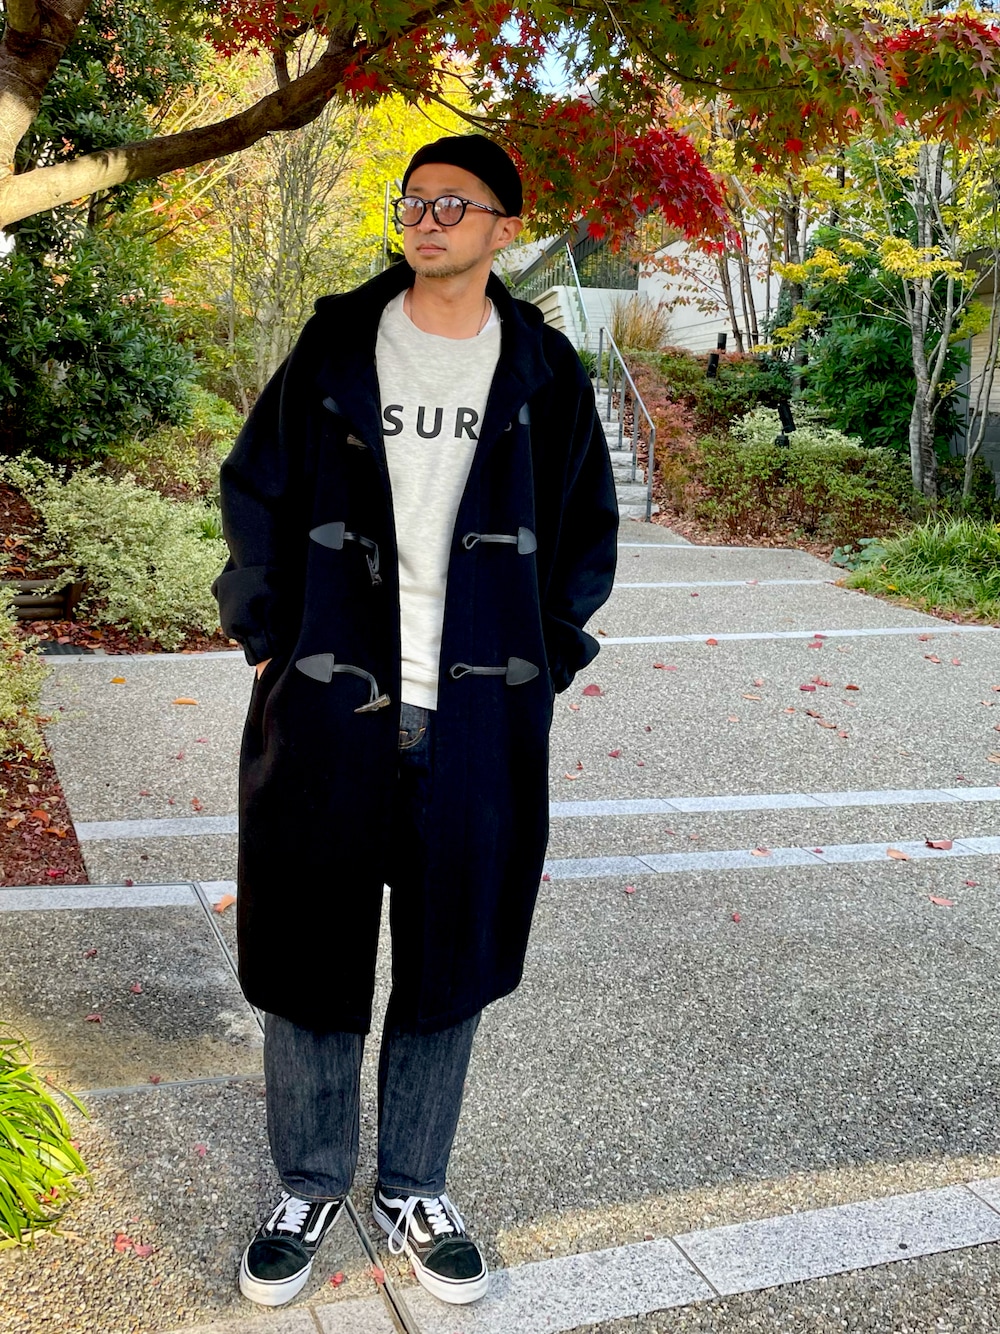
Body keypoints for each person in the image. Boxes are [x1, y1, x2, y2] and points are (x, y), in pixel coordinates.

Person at [212, 134, 617, 1309]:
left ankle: (413, 1183)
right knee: (308, 945)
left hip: (477, 717)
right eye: (415, 201)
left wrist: (548, 656)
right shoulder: (340, 342)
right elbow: (255, 486)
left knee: (452, 955)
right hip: (328, 705)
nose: (427, 219)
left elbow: (585, 527)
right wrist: (265, 633)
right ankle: (308, 1179)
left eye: (454, 204)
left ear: (503, 231)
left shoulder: (541, 368)